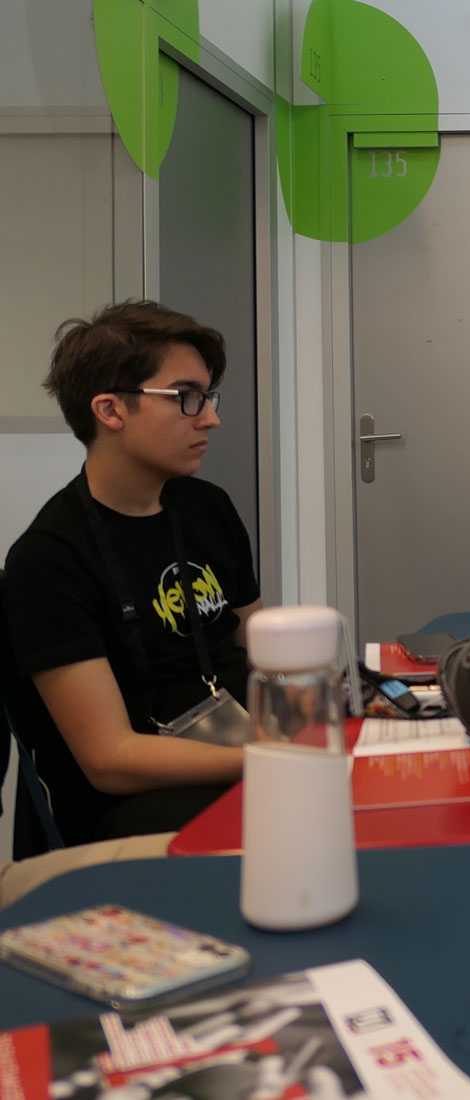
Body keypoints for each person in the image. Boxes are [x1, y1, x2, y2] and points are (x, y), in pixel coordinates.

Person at [3, 301, 260, 847]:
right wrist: (269, 760)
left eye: (208, 397)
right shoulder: (48, 560)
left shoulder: (206, 507)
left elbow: (255, 644)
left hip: (242, 762)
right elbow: (110, 759)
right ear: (111, 411)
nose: (210, 417)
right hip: (134, 807)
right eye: (187, 397)